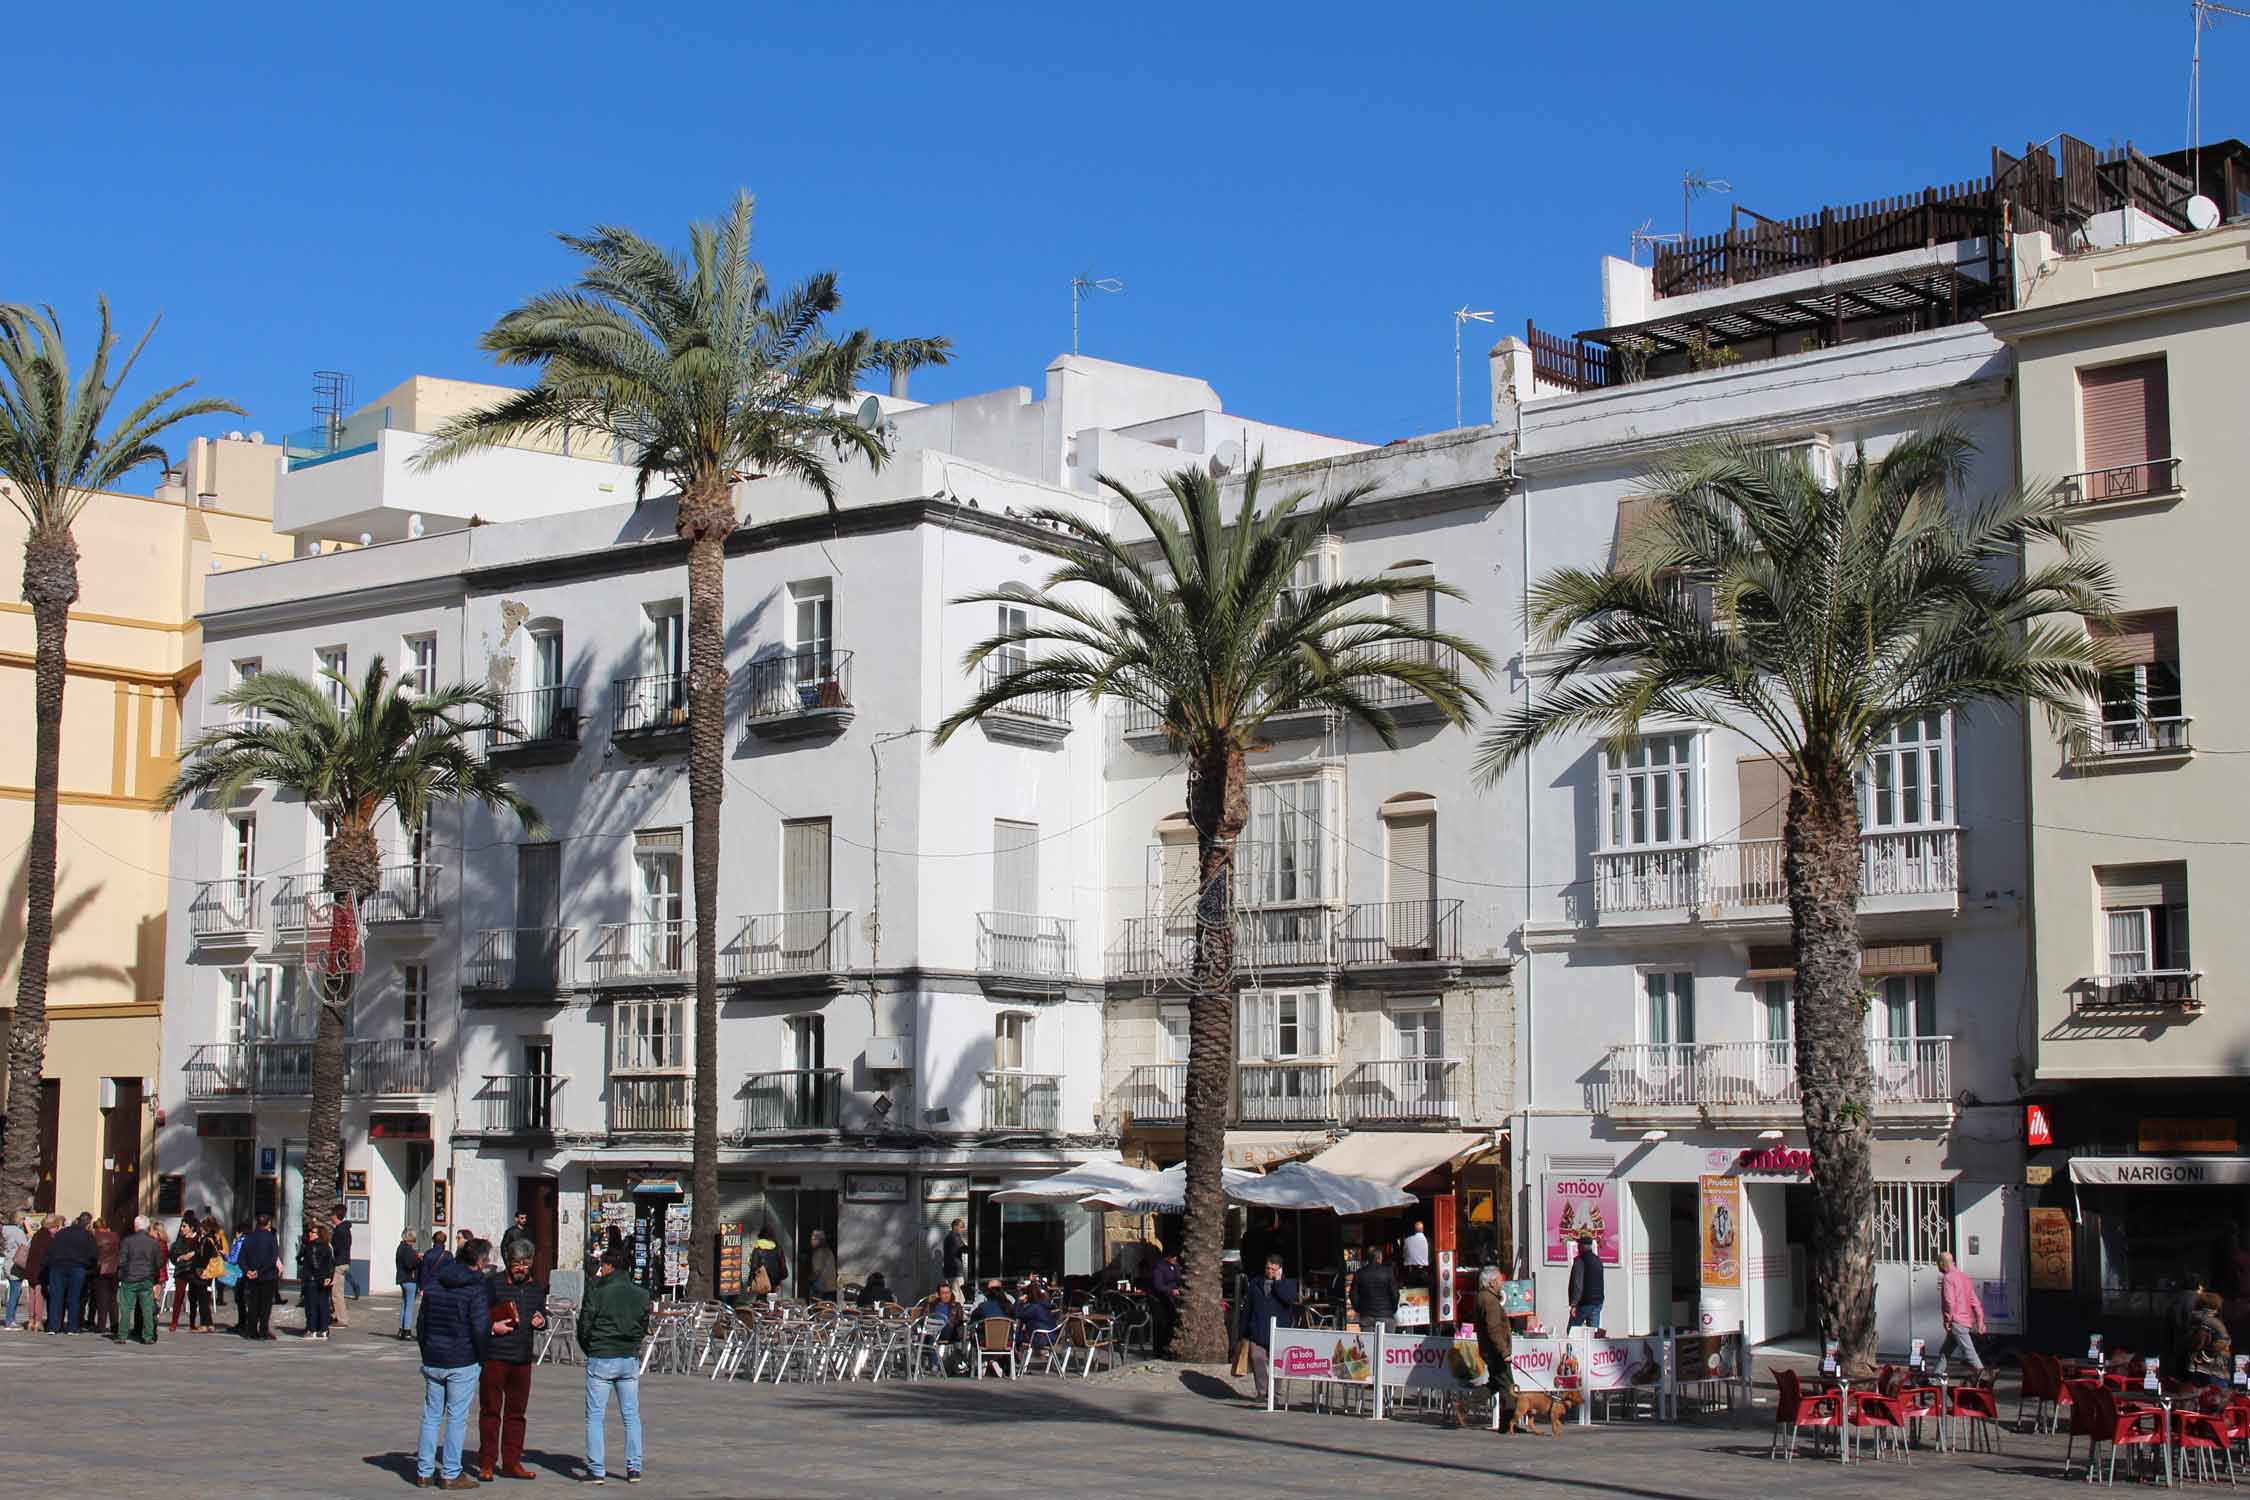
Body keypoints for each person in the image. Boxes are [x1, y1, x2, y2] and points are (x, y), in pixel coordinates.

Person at [417, 1236, 494, 1490]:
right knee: (456, 1418)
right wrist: (482, 1358)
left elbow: (421, 1324)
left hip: (434, 1357)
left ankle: (424, 1471)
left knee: (431, 1416)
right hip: (462, 1358)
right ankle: (451, 1472)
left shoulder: (436, 1283)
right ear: (480, 1262)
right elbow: (480, 1327)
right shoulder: (476, 1288)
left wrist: (426, 1352)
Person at [578, 1247, 651, 1486]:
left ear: (608, 1266)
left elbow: (585, 1324)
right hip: (628, 1357)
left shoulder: (597, 1291)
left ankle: (597, 1469)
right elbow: (643, 1325)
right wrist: (632, 1344)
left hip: (602, 1355)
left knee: (595, 1416)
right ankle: (634, 1467)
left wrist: (591, 1348)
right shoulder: (641, 1294)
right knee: (631, 1415)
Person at [478, 1249, 549, 1482]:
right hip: (495, 1356)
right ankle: (487, 1463)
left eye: (526, 1263)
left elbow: (541, 1314)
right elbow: (478, 1315)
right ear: (509, 1263)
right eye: (517, 1263)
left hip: (522, 1358)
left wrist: (541, 1322)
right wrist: (492, 1325)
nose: (521, 1268)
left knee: (516, 1414)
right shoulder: (493, 1284)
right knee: (490, 1412)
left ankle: (511, 1462)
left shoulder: (536, 1288)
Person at [1460, 1265, 1517, 1432]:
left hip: (1490, 1350)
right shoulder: (1489, 1300)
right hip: (1495, 1352)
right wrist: (1504, 1352)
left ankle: (1465, 1405)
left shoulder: (1484, 1297)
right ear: (1492, 1282)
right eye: (1500, 1280)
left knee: (1495, 1384)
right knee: (1508, 1387)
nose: (1502, 1283)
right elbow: (1493, 1329)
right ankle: (1508, 1424)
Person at [1238, 1255, 1298, 1403]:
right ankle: (1262, 1391)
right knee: (1257, 1358)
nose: (1269, 1271)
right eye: (1268, 1268)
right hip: (1257, 1329)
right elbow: (1248, 1308)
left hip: (1278, 1331)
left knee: (1276, 1363)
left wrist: (1277, 1283)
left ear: (1279, 1270)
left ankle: (1275, 1394)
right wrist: (1243, 1330)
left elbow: (1288, 1299)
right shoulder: (1256, 1283)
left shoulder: (1288, 1283)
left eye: (1273, 1269)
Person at [117, 1215, 166, 1345]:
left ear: (135, 1226)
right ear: (148, 1227)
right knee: (147, 1309)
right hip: (146, 1279)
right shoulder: (153, 1242)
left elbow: (121, 1261)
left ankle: (122, 1335)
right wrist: (153, 1276)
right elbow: (159, 1262)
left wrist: (121, 1275)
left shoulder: (127, 1241)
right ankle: (148, 1336)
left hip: (130, 1279)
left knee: (126, 1308)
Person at [1935, 1250, 1985, 1376]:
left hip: (1956, 1322)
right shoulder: (1964, 1277)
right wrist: (1980, 1322)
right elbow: (1975, 1302)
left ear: (1941, 1264)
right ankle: (1936, 1376)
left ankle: (1985, 1378)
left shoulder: (1948, 1278)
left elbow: (1949, 1303)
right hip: (1964, 1321)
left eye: (1937, 1264)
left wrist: (1947, 1321)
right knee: (1945, 1351)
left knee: (1970, 1353)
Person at [46, 1211, 95, 1334]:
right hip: (77, 1267)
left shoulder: (61, 1233)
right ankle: (72, 1327)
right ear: (88, 1224)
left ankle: (53, 1326)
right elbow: (93, 1255)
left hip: (58, 1266)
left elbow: (51, 1250)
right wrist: (89, 1268)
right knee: (74, 1298)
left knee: (56, 1297)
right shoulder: (87, 1235)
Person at [235, 1212, 282, 1340]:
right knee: (265, 1305)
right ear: (268, 1224)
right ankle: (263, 1330)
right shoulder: (271, 1238)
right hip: (267, 1276)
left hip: (251, 1277)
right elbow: (272, 1258)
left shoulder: (248, 1238)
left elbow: (241, 1258)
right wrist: (258, 1271)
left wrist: (248, 1271)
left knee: (253, 1304)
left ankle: (251, 1330)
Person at [171, 1216, 213, 1333]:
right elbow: (173, 1254)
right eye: (182, 1226)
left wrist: (192, 1255)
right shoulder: (180, 1240)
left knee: (194, 1298)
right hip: (181, 1271)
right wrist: (180, 1257)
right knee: (178, 1297)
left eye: (184, 1226)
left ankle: (193, 1323)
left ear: (191, 1228)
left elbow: (202, 1254)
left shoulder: (198, 1240)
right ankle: (174, 1322)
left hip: (194, 1271)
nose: (182, 1229)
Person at [1349, 1241, 1401, 1333]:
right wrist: (1392, 1309)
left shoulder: (1359, 1273)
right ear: (1379, 1258)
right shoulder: (1388, 1272)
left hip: (1367, 1317)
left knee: (1369, 1344)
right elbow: (1395, 1294)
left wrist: (1361, 1310)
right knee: (1387, 1345)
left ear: (1368, 1259)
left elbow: (1353, 1296)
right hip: (1386, 1316)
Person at [2188, 1290, 2235, 1389]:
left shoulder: (2194, 1319)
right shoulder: (2213, 1322)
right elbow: (2224, 1341)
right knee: (2216, 1398)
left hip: (2197, 1368)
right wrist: (2208, 1356)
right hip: (2215, 1371)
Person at [300, 1221, 336, 1340]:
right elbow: (331, 1264)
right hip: (323, 1280)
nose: (310, 1234)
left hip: (313, 1279)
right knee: (323, 1305)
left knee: (311, 1305)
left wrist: (317, 1276)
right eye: (309, 1231)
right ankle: (324, 1329)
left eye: (313, 1232)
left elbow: (314, 1264)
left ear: (319, 1234)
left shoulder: (312, 1246)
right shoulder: (327, 1246)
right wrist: (328, 1277)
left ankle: (312, 1329)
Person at [1144, 1247, 1184, 1355]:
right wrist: (1171, 1290)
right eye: (1173, 1257)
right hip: (1158, 1298)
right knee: (1160, 1322)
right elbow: (1158, 1285)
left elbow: (1178, 1279)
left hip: (1169, 1298)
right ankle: (1159, 1349)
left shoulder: (1176, 1266)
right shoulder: (1159, 1266)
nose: (1175, 1259)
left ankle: (1167, 1345)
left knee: (1171, 1320)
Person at [1566, 1232, 1605, 1332]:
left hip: (1584, 1303)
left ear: (1582, 1247)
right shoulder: (1598, 1260)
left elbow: (1578, 1284)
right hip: (1597, 1302)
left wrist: (1574, 1304)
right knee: (1592, 1333)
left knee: (1572, 1332)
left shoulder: (1580, 1261)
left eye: (1579, 1245)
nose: (1578, 1247)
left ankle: (1573, 1348)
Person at [23, 1214, 56, 1332]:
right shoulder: (48, 1238)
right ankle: (37, 1321)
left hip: (30, 1269)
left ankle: (30, 1321)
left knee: (32, 1297)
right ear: (52, 1225)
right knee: (39, 1297)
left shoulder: (37, 1235)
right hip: (39, 1270)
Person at [89, 1215, 121, 1335]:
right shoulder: (115, 1236)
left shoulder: (94, 1237)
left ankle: (101, 1325)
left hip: (100, 1270)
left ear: (96, 1228)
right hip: (114, 1269)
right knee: (113, 1299)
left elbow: (93, 1254)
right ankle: (114, 1325)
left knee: (101, 1298)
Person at [329, 1206, 356, 1328]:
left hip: (339, 1263)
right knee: (337, 1291)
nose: (330, 1217)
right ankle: (336, 1315)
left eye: (331, 1215)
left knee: (337, 1293)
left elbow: (338, 1248)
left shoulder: (340, 1230)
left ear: (335, 1216)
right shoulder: (345, 1229)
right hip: (344, 1261)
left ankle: (342, 1319)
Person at [397, 1228, 425, 1339]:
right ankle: (407, 1330)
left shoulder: (401, 1247)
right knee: (409, 1305)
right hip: (409, 1279)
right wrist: (418, 1259)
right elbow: (410, 1264)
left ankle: (401, 1329)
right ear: (411, 1237)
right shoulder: (408, 1249)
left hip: (403, 1279)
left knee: (404, 1304)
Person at [2, 1214, 29, 1329]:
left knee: (14, 1292)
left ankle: (10, 1319)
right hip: (16, 1265)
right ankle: (10, 1320)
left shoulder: (5, 1230)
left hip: (8, 1262)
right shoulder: (17, 1232)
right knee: (15, 1293)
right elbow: (25, 1246)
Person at [747, 1225, 787, 1298]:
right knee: (772, 1302)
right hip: (774, 1282)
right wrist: (778, 1282)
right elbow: (782, 1265)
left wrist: (749, 1284)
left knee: (761, 1302)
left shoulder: (758, 1247)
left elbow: (754, 1266)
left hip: (761, 1281)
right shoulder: (778, 1247)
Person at [941, 1218, 969, 1303]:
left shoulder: (948, 1237)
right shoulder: (954, 1237)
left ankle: (955, 1313)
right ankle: (958, 1315)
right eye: (961, 1227)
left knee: (955, 1294)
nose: (963, 1229)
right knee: (959, 1296)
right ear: (955, 1226)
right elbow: (962, 1249)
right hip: (955, 1272)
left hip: (949, 1272)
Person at [806, 1229, 838, 1302]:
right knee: (828, 1308)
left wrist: (810, 1279)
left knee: (817, 1308)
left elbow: (817, 1270)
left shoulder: (818, 1252)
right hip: (831, 1286)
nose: (811, 1241)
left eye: (813, 1239)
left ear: (819, 1240)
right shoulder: (829, 1251)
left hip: (821, 1287)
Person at [1401, 1219, 1432, 1289]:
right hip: (1424, 1272)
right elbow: (1431, 1257)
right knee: (1425, 1295)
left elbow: (1404, 1256)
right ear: (1423, 1229)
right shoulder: (1428, 1241)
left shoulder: (1407, 1240)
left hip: (1411, 1272)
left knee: (1412, 1295)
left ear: (1414, 1229)